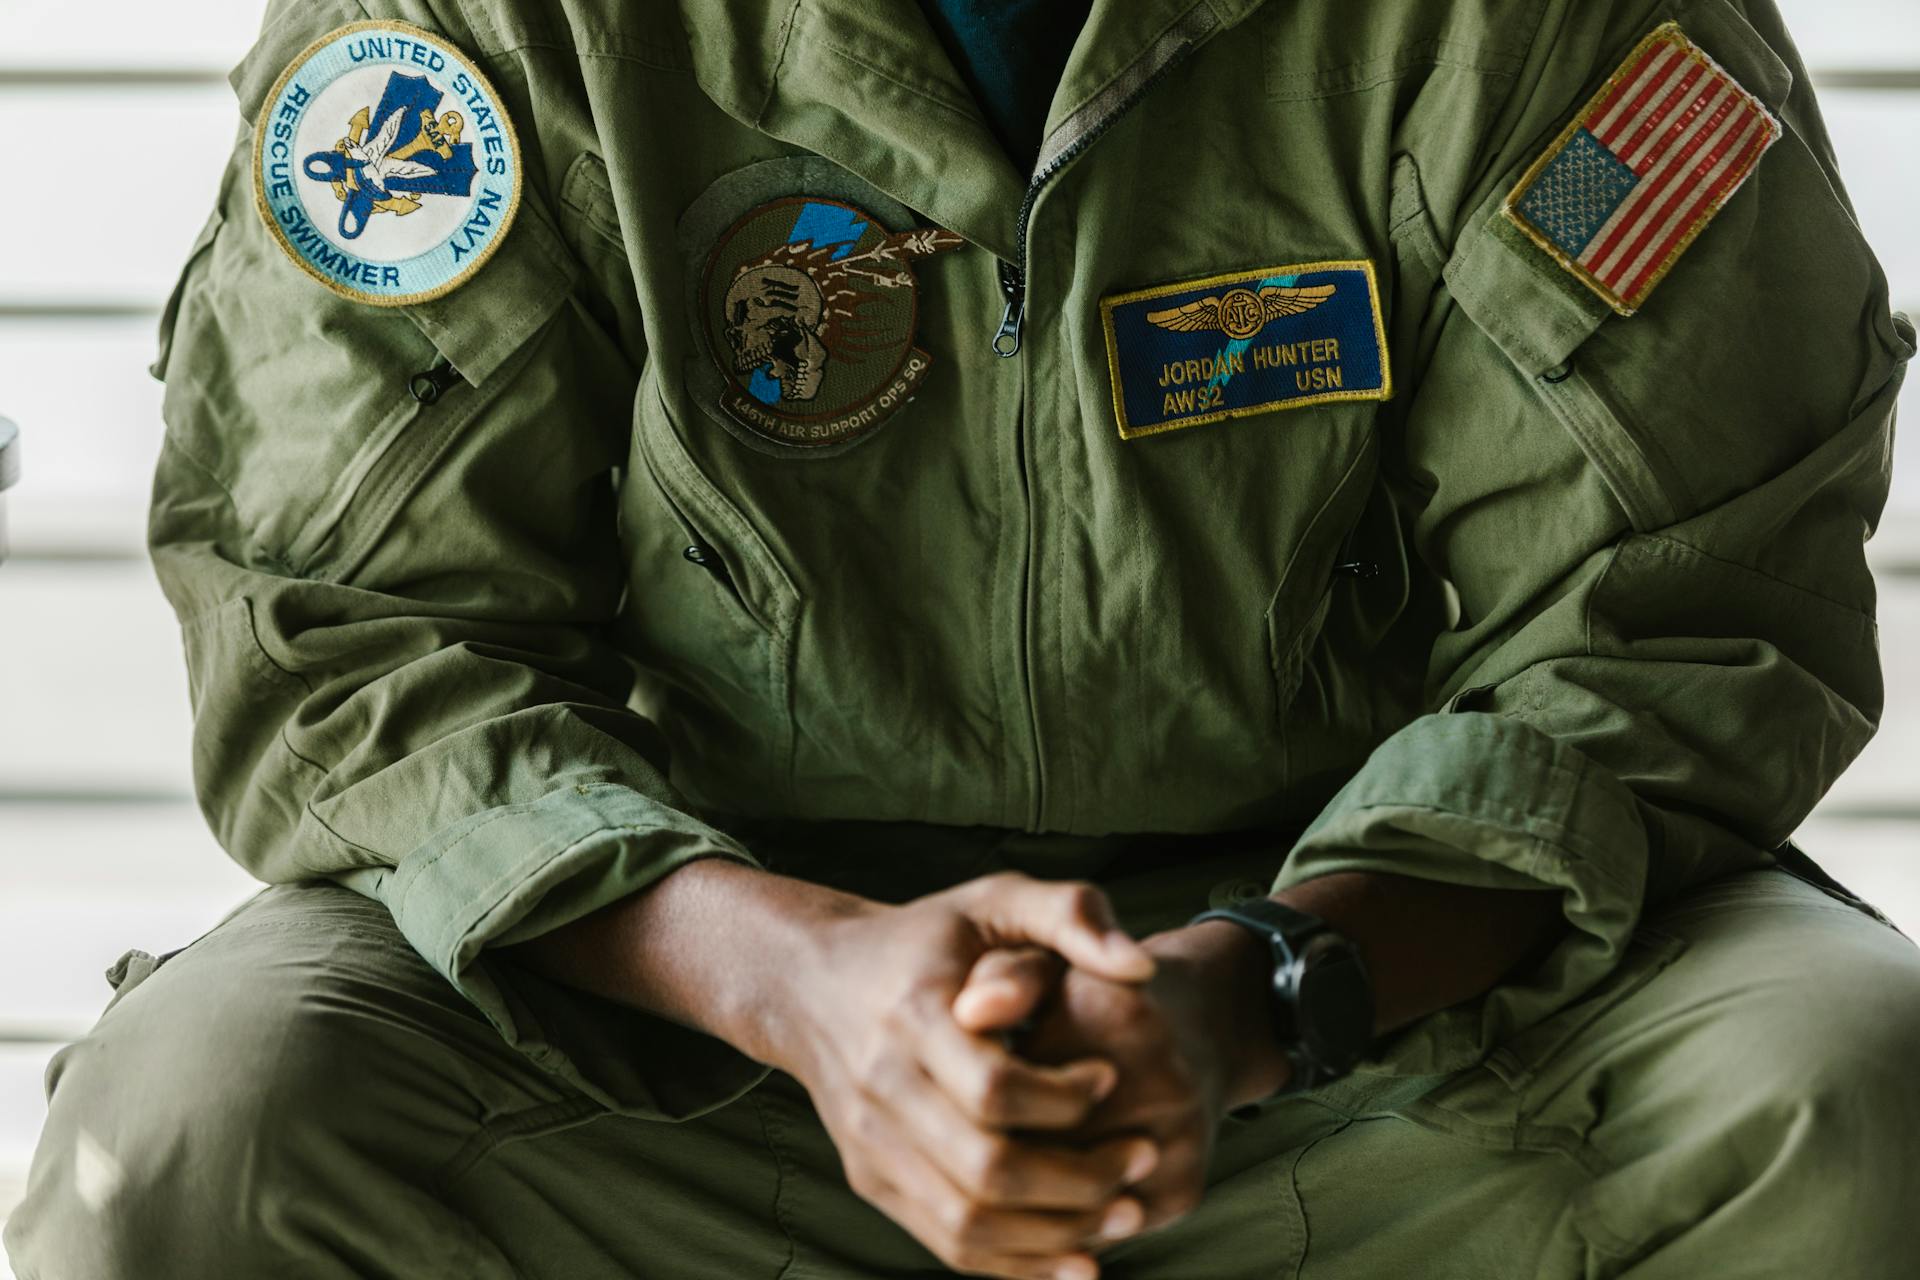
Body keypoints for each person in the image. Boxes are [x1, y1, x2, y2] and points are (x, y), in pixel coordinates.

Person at [9, 0, 1919, 1275]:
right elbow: (355, 633)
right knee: (203, 1132)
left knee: (1839, 1089)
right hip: (668, 1008)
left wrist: (1241, 999)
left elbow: (1668, 621)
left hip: (1387, 995)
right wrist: (806, 984)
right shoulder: (470, 32)